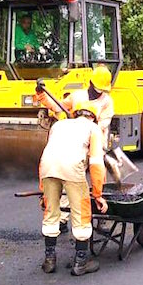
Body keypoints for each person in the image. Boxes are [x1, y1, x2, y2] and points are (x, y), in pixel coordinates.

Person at [38, 103, 108, 276]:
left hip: (47, 167)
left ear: (76, 113)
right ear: (94, 117)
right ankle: (80, 263)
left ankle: (49, 260)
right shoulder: (93, 129)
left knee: (51, 212)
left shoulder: (59, 125)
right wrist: (98, 195)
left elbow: (49, 154)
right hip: (72, 169)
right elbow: (96, 164)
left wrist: (43, 192)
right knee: (81, 214)